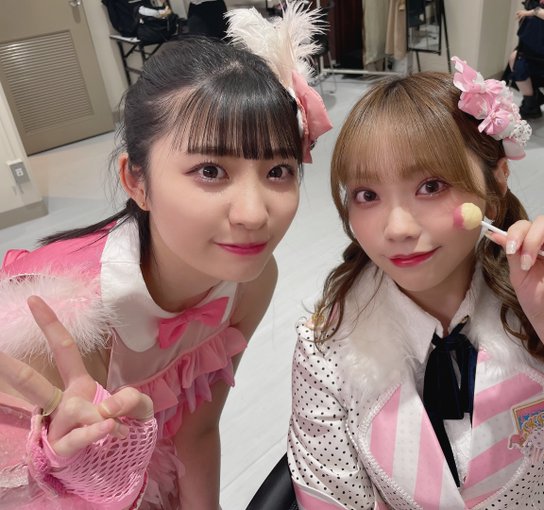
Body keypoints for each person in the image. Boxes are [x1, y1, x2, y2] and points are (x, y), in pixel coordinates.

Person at [287, 57, 544, 509]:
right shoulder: (326, 347)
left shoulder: (541, 310)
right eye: (367, 195)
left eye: (431, 186)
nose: (396, 228)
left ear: (496, 181)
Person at [0, 5, 331, 508]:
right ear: (137, 181)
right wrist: (80, 471)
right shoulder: (54, 327)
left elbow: (196, 429)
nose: (253, 214)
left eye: (278, 171)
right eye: (210, 171)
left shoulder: (251, 281)